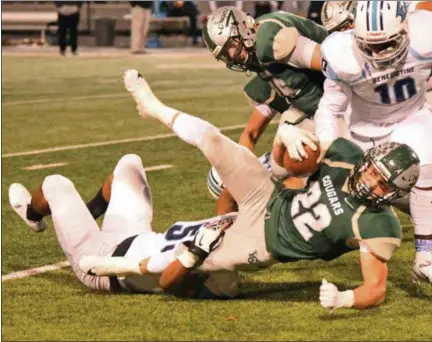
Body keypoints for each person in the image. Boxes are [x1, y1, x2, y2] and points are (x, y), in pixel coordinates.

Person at [110, 68, 422, 310]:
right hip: (268, 196)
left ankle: (123, 269)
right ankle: (155, 107)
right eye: (372, 171)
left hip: (263, 242)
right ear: (366, 160)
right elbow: (291, 164)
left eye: (382, 183)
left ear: (393, 194)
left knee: (187, 266)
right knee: (216, 141)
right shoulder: (345, 155)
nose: (370, 181)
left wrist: (345, 299)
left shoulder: (379, 225)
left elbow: (376, 289)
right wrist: (287, 135)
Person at [285, 1, 432, 283]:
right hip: (363, 131)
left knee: (427, 167)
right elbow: (330, 108)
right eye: (370, 45)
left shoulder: (425, 33)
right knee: (342, 203)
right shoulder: (342, 53)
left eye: (386, 44)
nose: (378, 53)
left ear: (405, 29)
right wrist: (328, 145)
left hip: (410, 117)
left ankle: (425, 257)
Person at [9, 154, 240, 298]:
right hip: (136, 234)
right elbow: (228, 206)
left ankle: (31, 214)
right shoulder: (235, 224)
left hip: (108, 265)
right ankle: (89, 215)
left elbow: (172, 284)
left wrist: (194, 255)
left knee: (55, 184)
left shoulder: (226, 281)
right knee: (129, 163)